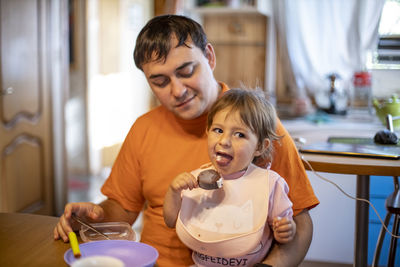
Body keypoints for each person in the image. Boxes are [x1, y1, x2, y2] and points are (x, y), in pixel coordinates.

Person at [54, 14, 319, 266]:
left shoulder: (257, 127)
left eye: (186, 71)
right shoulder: (144, 128)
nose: (177, 91)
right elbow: (122, 209)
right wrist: (88, 219)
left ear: (210, 57)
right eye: (160, 81)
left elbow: (300, 220)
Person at [163, 88, 296, 266]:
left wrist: (286, 230)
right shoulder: (194, 181)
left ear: (259, 147)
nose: (224, 141)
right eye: (218, 130)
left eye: (239, 134)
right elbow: (171, 221)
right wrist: (173, 191)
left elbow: (285, 224)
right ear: (207, 131)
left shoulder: (270, 184)